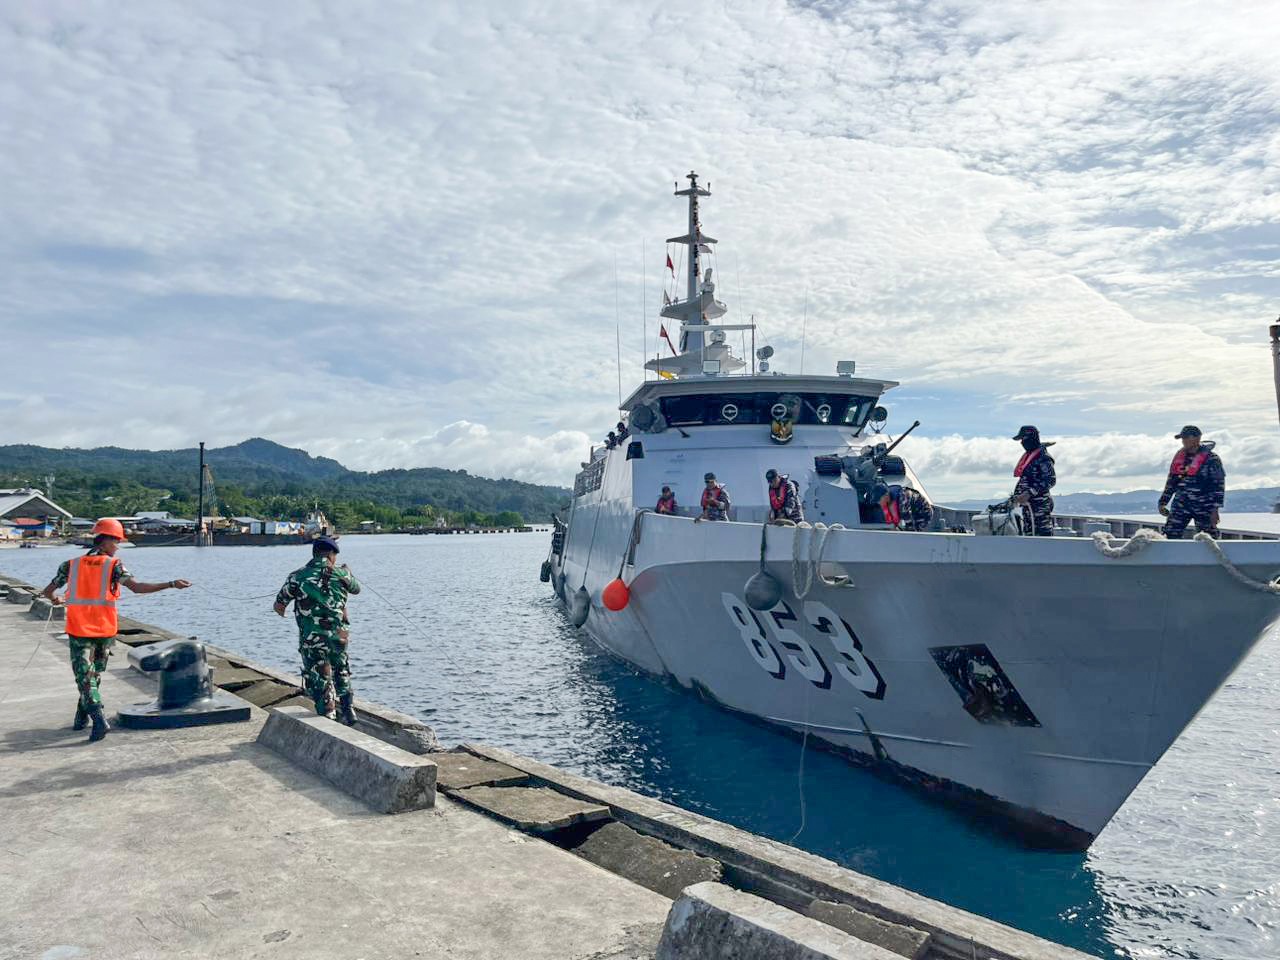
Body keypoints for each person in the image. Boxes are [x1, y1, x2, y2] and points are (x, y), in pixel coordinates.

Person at [39, 518, 191, 742]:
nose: (118, 546)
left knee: (85, 676)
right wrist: (170, 584)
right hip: (105, 630)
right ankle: (89, 717)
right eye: (117, 541)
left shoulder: (70, 565)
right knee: (92, 675)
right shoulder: (115, 566)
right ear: (106, 540)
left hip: (79, 629)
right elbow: (138, 588)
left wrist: (55, 599)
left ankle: (90, 715)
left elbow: (48, 591)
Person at [273, 536, 362, 724]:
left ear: (314, 553)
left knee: (320, 677)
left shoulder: (297, 576)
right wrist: (348, 573)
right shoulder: (342, 574)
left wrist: (290, 612)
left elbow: (279, 606)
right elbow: (356, 589)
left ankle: (328, 716)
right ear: (331, 555)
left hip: (312, 638)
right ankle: (348, 710)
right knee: (341, 669)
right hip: (338, 636)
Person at [1159, 425, 1225, 539]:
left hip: (1204, 506)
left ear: (1197, 438)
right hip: (1181, 504)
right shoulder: (1179, 458)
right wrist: (1163, 502)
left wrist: (1215, 510)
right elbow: (1171, 482)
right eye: (1182, 438)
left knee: (1208, 538)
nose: (1183, 441)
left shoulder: (1212, 459)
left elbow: (1218, 485)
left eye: (1186, 437)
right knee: (1169, 535)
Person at [1012, 425, 1056, 536]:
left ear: (1031, 437)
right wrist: (1016, 496)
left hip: (1040, 507)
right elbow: (1025, 479)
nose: (1022, 442)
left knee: (1042, 537)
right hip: (1027, 507)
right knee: (1029, 535)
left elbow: (1050, 480)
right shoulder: (1029, 457)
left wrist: (1029, 493)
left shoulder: (1043, 457)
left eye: (1023, 438)